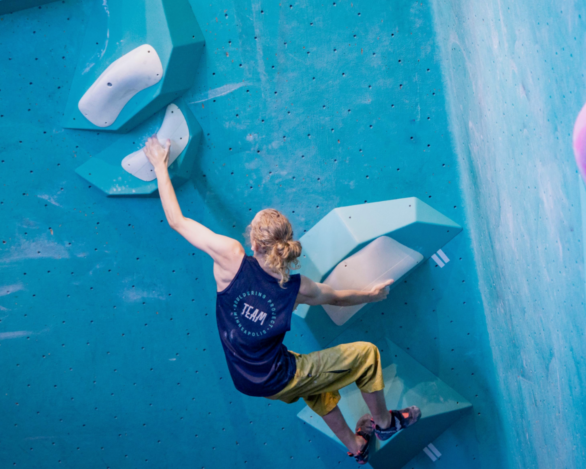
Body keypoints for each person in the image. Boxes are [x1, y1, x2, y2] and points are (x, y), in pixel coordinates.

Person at [143, 137, 421, 464]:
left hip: (245, 378)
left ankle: (356, 445)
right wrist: (371, 295)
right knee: (367, 355)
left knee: (316, 385)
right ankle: (386, 425)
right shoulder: (296, 288)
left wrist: (160, 164)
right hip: (278, 375)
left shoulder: (231, 258)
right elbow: (337, 298)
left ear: (254, 244)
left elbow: (178, 221)